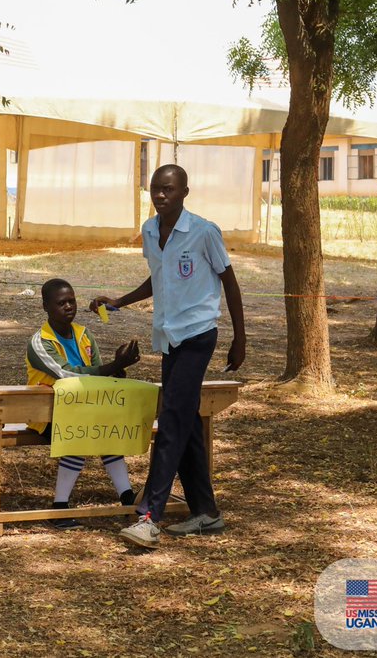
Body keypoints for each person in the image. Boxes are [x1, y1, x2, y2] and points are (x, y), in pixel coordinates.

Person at [90, 164, 246, 550]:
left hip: (198, 335)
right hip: (169, 337)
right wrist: (120, 300)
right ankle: (206, 512)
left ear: (184, 192)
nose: (161, 196)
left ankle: (149, 516)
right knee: (186, 419)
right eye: (156, 189)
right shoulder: (148, 231)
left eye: (169, 190)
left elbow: (230, 282)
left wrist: (240, 339)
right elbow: (158, 278)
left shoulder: (203, 231)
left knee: (172, 420)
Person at [27, 279, 141, 529]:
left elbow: (99, 373)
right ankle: (59, 507)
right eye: (61, 303)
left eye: (72, 301)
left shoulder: (83, 334)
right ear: (45, 306)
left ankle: (127, 496)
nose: (68, 307)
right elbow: (68, 374)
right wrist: (113, 366)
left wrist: (117, 369)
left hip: (85, 408)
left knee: (106, 430)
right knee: (78, 431)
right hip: (48, 414)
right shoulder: (39, 342)